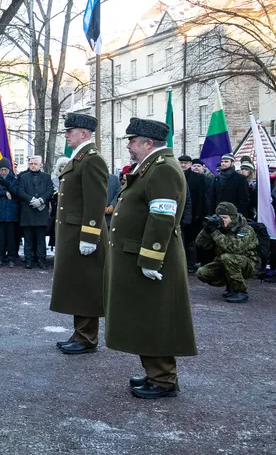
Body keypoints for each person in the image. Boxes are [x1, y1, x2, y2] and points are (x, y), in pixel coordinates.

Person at [104, 118, 196, 399]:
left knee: (157, 317)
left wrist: (151, 258)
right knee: (146, 316)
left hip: (154, 259)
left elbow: (162, 216)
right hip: (140, 256)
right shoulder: (152, 167)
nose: (129, 146)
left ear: (148, 143)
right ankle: (154, 373)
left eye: (133, 141)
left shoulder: (163, 169)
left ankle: (163, 379)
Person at [50, 113, 109, 355]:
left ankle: (87, 338)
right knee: (77, 284)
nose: (66, 135)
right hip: (74, 233)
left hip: (83, 234)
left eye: (69, 131)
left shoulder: (92, 160)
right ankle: (80, 333)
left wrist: (90, 235)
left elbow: (96, 201)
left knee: (86, 285)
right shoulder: (81, 157)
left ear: (83, 134)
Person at [194, 202, 258, 303]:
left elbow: (234, 248)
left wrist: (215, 232)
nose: (221, 220)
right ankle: (231, 285)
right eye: (219, 217)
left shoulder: (245, 229)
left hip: (249, 264)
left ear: (233, 217)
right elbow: (200, 244)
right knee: (202, 273)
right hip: (226, 261)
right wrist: (207, 229)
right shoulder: (220, 228)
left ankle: (240, 291)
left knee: (227, 257)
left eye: (224, 217)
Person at [13, 156, 54, 269]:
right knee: (28, 238)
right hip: (28, 210)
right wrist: (31, 200)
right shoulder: (23, 177)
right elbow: (20, 191)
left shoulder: (46, 177)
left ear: (40, 165)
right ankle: (28, 260)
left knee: (41, 238)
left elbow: (50, 190)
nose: (33, 165)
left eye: (35, 164)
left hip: (41, 211)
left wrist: (41, 200)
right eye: (31, 163)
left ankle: (41, 260)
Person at [179, 154, 209, 272]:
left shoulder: (198, 178)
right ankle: (181, 263)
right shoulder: (176, 175)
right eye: (181, 163)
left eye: (186, 163)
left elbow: (201, 197)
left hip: (194, 213)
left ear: (190, 164)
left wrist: (198, 213)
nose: (183, 165)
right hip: (179, 213)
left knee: (191, 241)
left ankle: (191, 264)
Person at [209, 153, 251, 222]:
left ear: (232, 163)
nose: (223, 163)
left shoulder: (240, 179)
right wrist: (212, 214)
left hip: (234, 216)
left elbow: (244, 199)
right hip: (218, 215)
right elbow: (212, 198)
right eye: (222, 161)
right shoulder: (216, 179)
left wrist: (238, 215)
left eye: (226, 161)